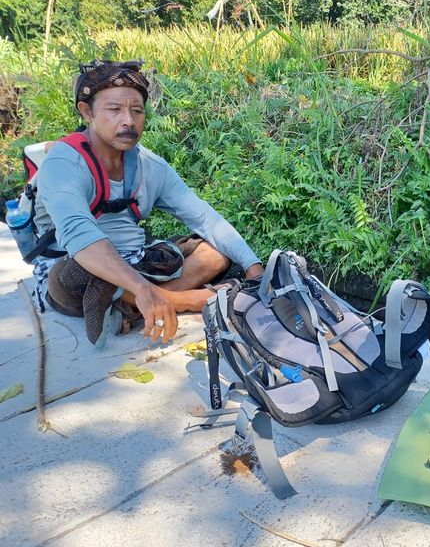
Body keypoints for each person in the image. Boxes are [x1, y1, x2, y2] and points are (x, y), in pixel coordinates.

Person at [31, 59, 264, 346]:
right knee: (75, 274)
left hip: (136, 261)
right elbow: (78, 234)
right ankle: (175, 300)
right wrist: (142, 287)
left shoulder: (150, 166)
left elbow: (204, 218)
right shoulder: (63, 163)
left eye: (137, 111)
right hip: (74, 263)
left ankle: (127, 303)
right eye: (114, 110)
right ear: (86, 112)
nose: (128, 120)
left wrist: (255, 269)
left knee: (215, 253)